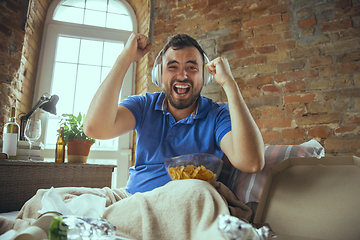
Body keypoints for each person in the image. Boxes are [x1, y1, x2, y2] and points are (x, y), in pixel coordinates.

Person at [84, 32, 265, 195]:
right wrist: (125, 58)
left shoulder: (217, 115)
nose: (182, 76)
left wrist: (229, 84)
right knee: (65, 198)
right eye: (173, 67)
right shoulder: (144, 104)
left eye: (192, 67)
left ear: (206, 77)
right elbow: (95, 129)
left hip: (185, 205)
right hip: (133, 199)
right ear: (159, 75)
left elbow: (251, 162)